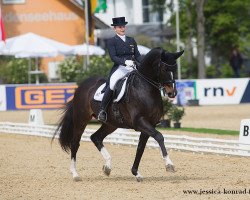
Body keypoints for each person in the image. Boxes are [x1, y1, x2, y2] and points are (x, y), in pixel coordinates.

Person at [97, 17, 142, 122]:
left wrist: (142, 63)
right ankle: (102, 110)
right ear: (115, 29)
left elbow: (138, 55)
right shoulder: (112, 41)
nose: (122, 28)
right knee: (112, 84)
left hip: (133, 67)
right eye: (119, 27)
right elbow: (113, 57)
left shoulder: (131, 40)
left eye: (123, 26)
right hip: (120, 68)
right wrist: (125, 62)